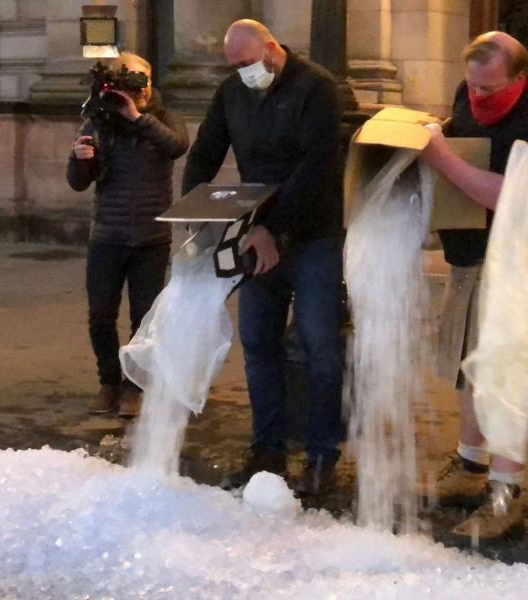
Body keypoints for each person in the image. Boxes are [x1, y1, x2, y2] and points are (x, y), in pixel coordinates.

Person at [419, 31, 528, 540]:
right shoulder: (467, 98)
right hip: (471, 263)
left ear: (519, 78)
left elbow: (509, 195)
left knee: (511, 382)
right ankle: (470, 468)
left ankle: (504, 493)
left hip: (523, 273)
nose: (477, 97)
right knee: (470, 374)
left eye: (489, 89)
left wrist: (441, 157)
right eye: (471, 86)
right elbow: (460, 136)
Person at [182, 19, 345, 496]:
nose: (242, 72)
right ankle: (267, 449)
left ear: (272, 49)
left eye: (248, 62)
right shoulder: (233, 92)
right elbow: (204, 152)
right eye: (234, 66)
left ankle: (321, 455)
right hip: (255, 235)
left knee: (320, 346)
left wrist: (274, 228)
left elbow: (317, 167)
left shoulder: (316, 87)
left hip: (312, 234)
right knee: (258, 342)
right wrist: (193, 213)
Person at [67, 52, 189, 419]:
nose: (139, 88)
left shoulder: (165, 119)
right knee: (101, 314)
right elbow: (77, 183)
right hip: (107, 234)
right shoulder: (98, 122)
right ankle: (108, 382)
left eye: (143, 80)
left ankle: (135, 386)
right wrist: (79, 158)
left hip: (150, 238)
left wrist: (137, 118)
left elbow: (177, 145)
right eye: (130, 82)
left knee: (144, 319)